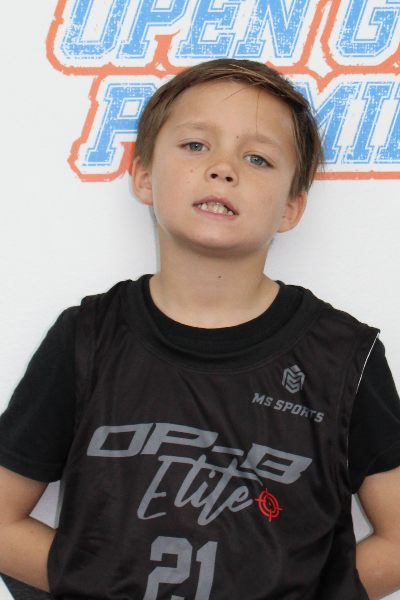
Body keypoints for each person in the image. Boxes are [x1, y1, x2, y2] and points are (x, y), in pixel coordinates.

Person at [1, 58, 400, 600]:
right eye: (195, 145)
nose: (223, 168)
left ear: (291, 206)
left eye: (257, 157)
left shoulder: (344, 358)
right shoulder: (86, 338)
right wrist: (99, 583)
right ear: (144, 175)